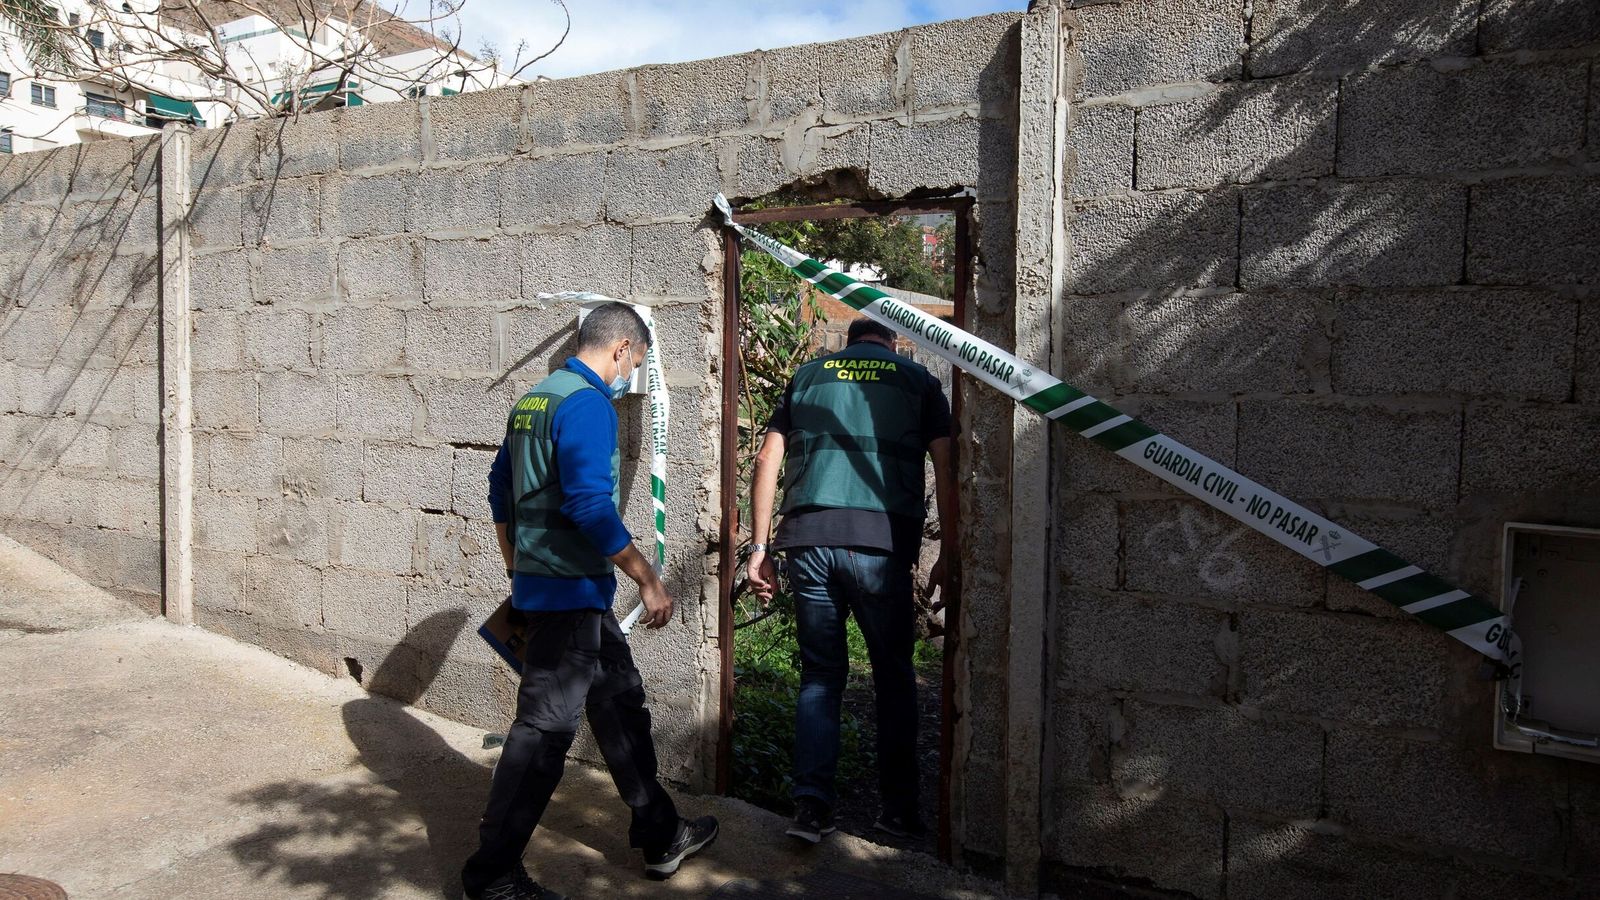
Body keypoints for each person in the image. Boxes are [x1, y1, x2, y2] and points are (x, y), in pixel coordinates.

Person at [461, 302, 717, 900]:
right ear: (623, 348)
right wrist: (648, 579)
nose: (633, 374)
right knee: (545, 732)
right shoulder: (586, 404)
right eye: (639, 362)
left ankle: (660, 833)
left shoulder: (535, 398)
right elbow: (588, 505)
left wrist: (516, 567)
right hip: (569, 593)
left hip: (564, 592)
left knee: (620, 703)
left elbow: (501, 494)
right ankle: (492, 875)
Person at [746, 316, 955, 844]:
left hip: (808, 541)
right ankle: (898, 812)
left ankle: (811, 811)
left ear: (850, 339)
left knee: (820, 678)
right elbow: (947, 464)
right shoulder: (918, 380)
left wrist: (760, 546)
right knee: (893, 676)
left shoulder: (810, 376)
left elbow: (768, 456)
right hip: (879, 547)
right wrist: (952, 549)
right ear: (894, 342)